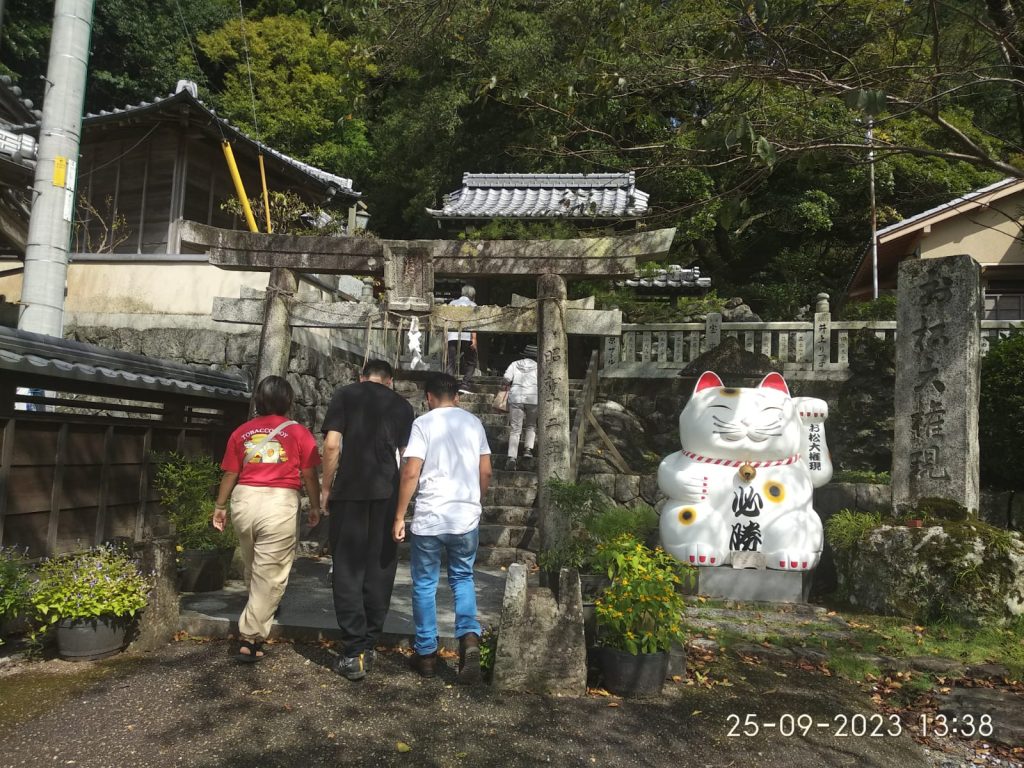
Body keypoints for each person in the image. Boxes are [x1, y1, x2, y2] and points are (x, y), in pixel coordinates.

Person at [213, 375, 321, 663]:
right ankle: (250, 637)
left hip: (244, 500)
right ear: (288, 401)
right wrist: (315, 505)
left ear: (258, 401)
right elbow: (310, 475)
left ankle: (259, 612)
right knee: (270, 574)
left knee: (253, 565)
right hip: (279, 503)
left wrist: (220, 506)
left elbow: (231, 473)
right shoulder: (298, 432)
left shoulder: (242, 431)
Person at [393, 373, 492, 683]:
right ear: (457, 397)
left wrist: (399, 515)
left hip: (430, 518)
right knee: (462, 577)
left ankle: (426, 655)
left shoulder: (423, 423)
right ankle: (469, 638)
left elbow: (411, 472)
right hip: (465, 517)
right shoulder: (474, 423)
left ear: (429, 397)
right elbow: (486, 471)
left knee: (424, 584)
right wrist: (476, 501)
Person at [320, 359, 415, 680]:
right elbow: (407, 458)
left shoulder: (345, 395)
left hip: (349, 490)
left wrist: (326, 487)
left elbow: (332, 445)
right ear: (390, 381)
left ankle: (352, 651)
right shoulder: (402, 406)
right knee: (380, 567)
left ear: (362, 377)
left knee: (347, 568)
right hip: (387, 492)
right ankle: (370, 644)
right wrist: (403, 508)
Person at [502, 343, 538, 471]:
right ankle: (528, 449)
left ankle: (512, 457)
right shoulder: (539, 366)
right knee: (531, 425)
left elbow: (506, 378)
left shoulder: (514, 364)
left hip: (516, 397)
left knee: (515, 429)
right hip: (533, 398)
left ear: (524, 354)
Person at [446, 285, 478, 394]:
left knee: (451, 362)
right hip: (466, 336)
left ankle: (449, 385)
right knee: (472, 361)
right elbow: (474, 323)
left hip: (452, 336)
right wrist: (474, 339)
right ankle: (465, 383)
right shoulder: (473, 305)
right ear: (472, 295)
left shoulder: (452, 303)